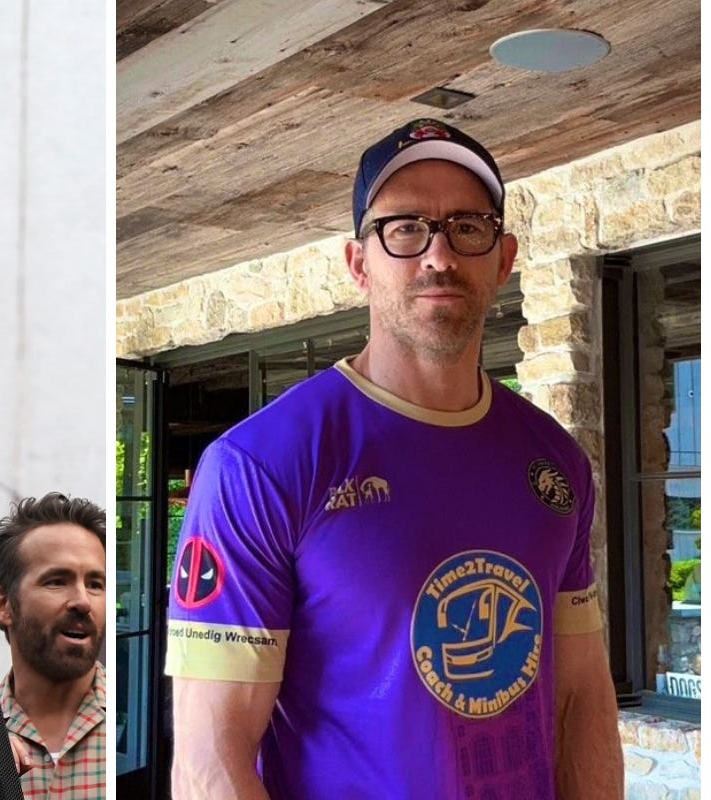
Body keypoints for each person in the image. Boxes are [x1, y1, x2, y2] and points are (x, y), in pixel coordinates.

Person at [165, 118, 623, 799]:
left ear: (504, 258)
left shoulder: (556, 462)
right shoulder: (260, 466)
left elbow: (582, 693)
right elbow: (210, 762)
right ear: (359, 264)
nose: (438, 255)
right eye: (404, 228)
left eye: (468, 227)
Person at [0, 493, 107, 799]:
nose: (82, 601)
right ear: (3, 604)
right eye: (56, 581)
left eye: (95, 584)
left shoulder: (135, 722)